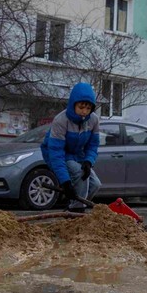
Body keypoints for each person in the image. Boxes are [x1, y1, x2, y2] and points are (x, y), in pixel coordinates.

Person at [41, 82, 101, 213]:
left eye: (88, 108)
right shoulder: (61, 120)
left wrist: (88, 161)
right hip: (59, 155)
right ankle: (77, 212)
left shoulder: (94, 120)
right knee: (80, 174)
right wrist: (65, 182)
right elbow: (56, 152)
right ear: (73, 104)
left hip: (78, 156)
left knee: (95, 184)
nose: (84, 112)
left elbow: (93, 145)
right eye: (81, 107)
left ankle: (74, 206)